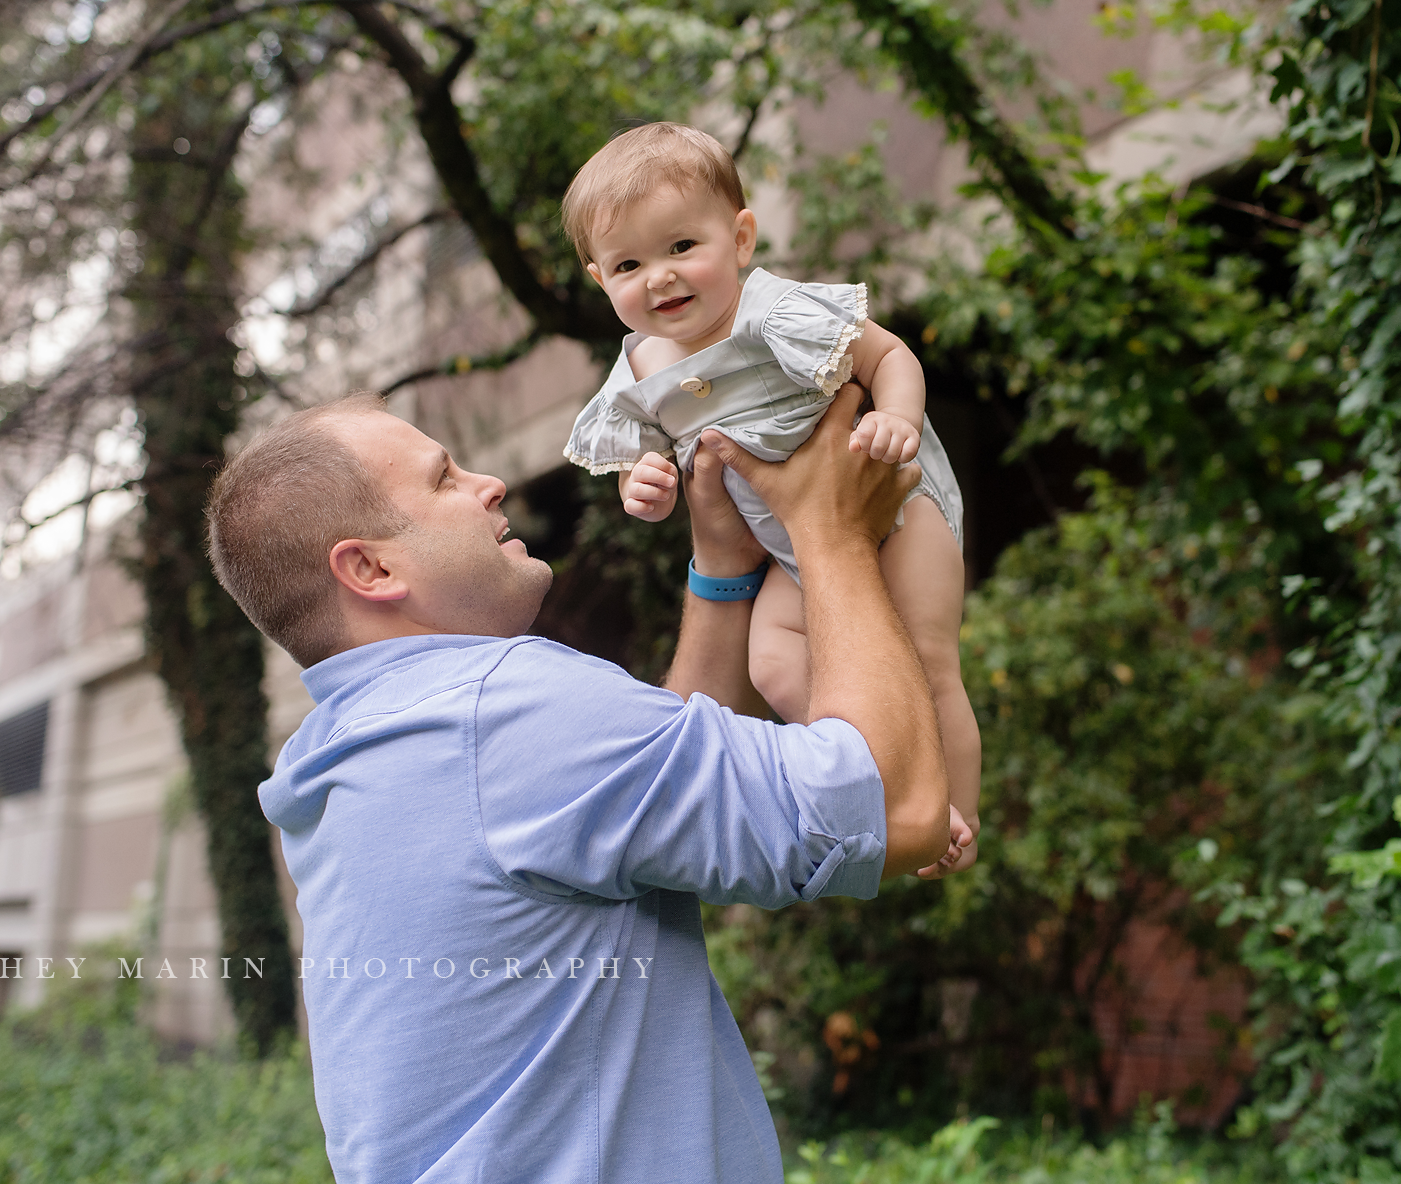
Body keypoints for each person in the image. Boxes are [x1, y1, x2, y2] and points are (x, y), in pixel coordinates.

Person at [206, 387, 950, 1184]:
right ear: (371, 566)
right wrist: (831, 532)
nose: (488, 483)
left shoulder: (352, 754)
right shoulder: (504, 712)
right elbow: (897, 808)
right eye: (443, 478)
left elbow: (650, 786)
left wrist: (723, 571)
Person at [560, 122, 979, 876]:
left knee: (925, 655)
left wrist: (896, 417)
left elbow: (889, 355)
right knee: (773, 663)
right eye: (629, 263)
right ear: (600, 280)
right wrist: (643, 483)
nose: (659, 276)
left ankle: (957, 806)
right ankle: (892, 783)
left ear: (742, 237)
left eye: (682, 247)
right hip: (796, 545)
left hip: (898, 502)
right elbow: (642, 451)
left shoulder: (772, 312)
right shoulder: (638, 366)